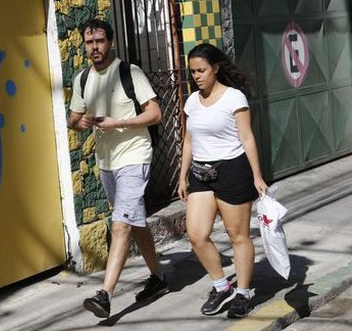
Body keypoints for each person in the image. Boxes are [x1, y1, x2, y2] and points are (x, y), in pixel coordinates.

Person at [69, 18, 167, 319]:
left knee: (120, 224)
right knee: (134, 221)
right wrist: (82, 122)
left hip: (134, 156)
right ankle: (158, 278)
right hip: (107, 162)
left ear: (110, 42)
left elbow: (155, 113)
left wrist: (120, 122)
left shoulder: (129, 72)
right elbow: (73, 119)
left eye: (99, 41)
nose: (94, 47)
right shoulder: (82, 79)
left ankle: (105, 295)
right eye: (89, 42)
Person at [176, 43, 268, 319]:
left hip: (233, 171)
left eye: (201, 70)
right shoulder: (192, 101)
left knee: (237, 235)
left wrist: (257, 176)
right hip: (201, 174)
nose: (197, 76)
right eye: (193, 72)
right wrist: (182, 176)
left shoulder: (234, 98)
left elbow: (247, 137)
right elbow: (189, 140)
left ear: (215, 68)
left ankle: (243, 292)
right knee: (196, 234)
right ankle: (221, 285)